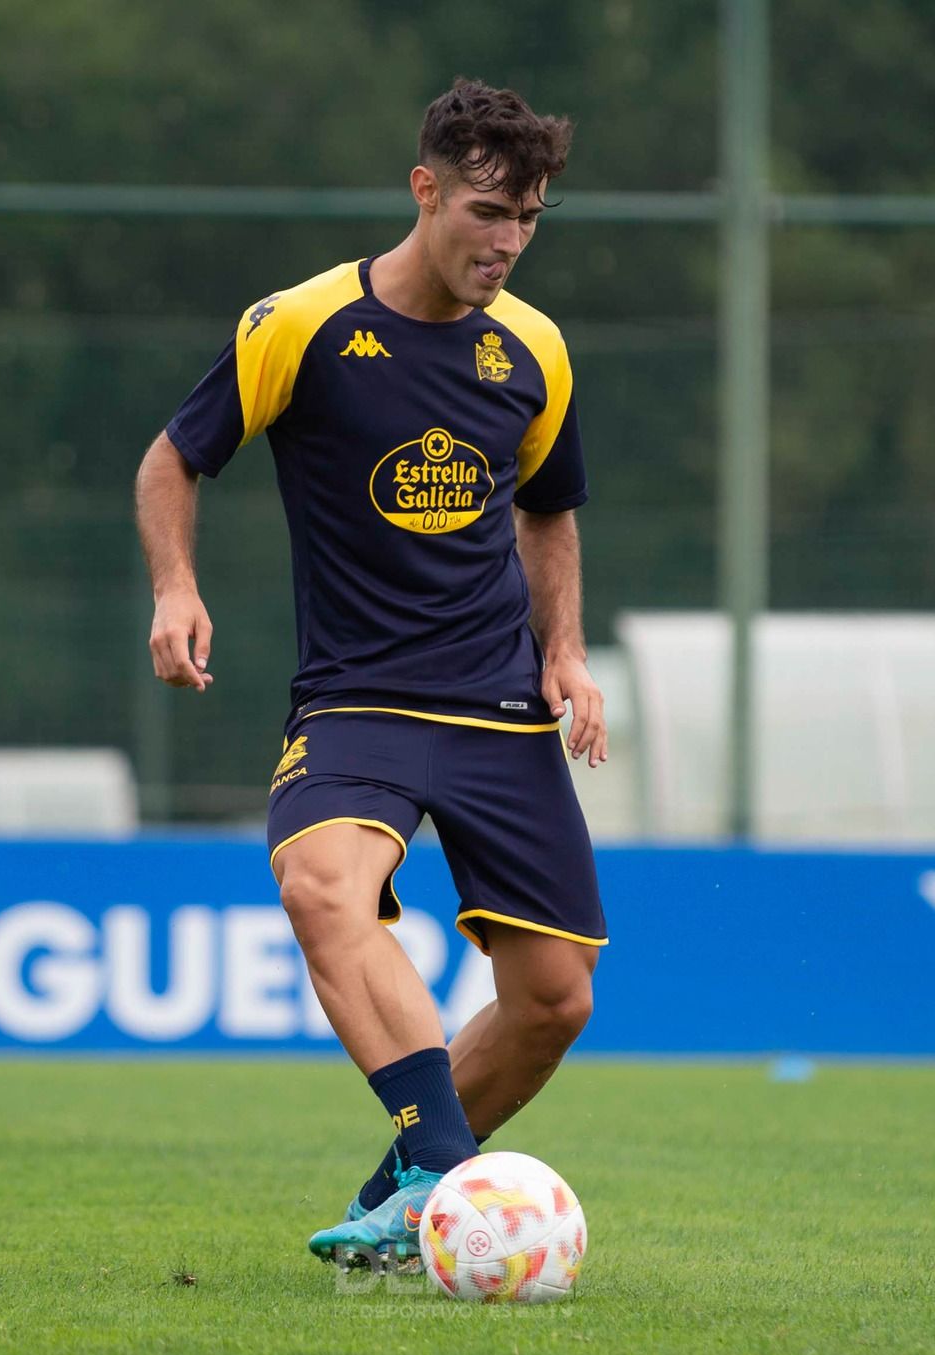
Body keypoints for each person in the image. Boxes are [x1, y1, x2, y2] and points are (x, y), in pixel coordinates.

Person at [133, 78, 608, 1265]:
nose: (505, 242)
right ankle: (447, 1172)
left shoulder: (533, 351)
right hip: (357, 699)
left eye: (528, 220)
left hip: (500, 706)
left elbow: (548, 513)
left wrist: (566, 651)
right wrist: (175, 589)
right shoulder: (299, 325)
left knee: (555, 1000)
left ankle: (400, 1197)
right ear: (425, 188)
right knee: (318, 890)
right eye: (487, 212)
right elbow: (171, 460)